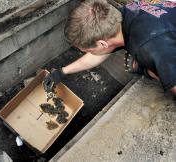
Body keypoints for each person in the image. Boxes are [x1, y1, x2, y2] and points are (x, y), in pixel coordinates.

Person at [43, 0, 176, 95]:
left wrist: (150, 72)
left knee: (161, 72)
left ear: (102, 44)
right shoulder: (120, 16)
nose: (90, 53)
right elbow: (100, 53)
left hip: (163, 43)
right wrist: (62, 72)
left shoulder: (149, 46)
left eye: (89, 50)